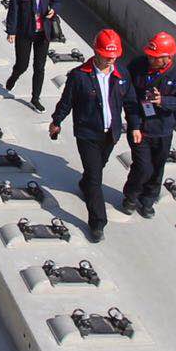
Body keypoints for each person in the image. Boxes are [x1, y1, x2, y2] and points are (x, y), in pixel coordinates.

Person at [48, 29, 138, 242]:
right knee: (96, 177)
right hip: (88, 133)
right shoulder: (80, 76)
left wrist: (135, 126)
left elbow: (132, 104)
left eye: (114, 57)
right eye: (107, 56)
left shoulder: (122, 75)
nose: (111, 61)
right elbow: (66, 102)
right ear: (96, 53)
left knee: (97, 168)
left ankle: (84, 183)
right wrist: (56, 121)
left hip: (111, 134)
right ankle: (97, 222)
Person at [119, 32, 176, 218]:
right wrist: (134, 125)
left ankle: (147, 201)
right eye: (150, 56)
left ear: (168, 57)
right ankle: (131, 197)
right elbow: (129, 96)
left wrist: (162, 101)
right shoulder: (137, 66)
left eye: (156, 57)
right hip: (140, 127)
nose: (151, 59)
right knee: (143, 166)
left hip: (162, 130)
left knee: (157, 167)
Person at [3, 0, 58, 112]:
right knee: (23, 64)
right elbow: (13, 11)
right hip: (25, 33)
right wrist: (11, 31)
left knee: (39, 67)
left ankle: (35, 98)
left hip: (43, 34)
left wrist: (53, 9)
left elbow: (57, 2)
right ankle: (14, 76)